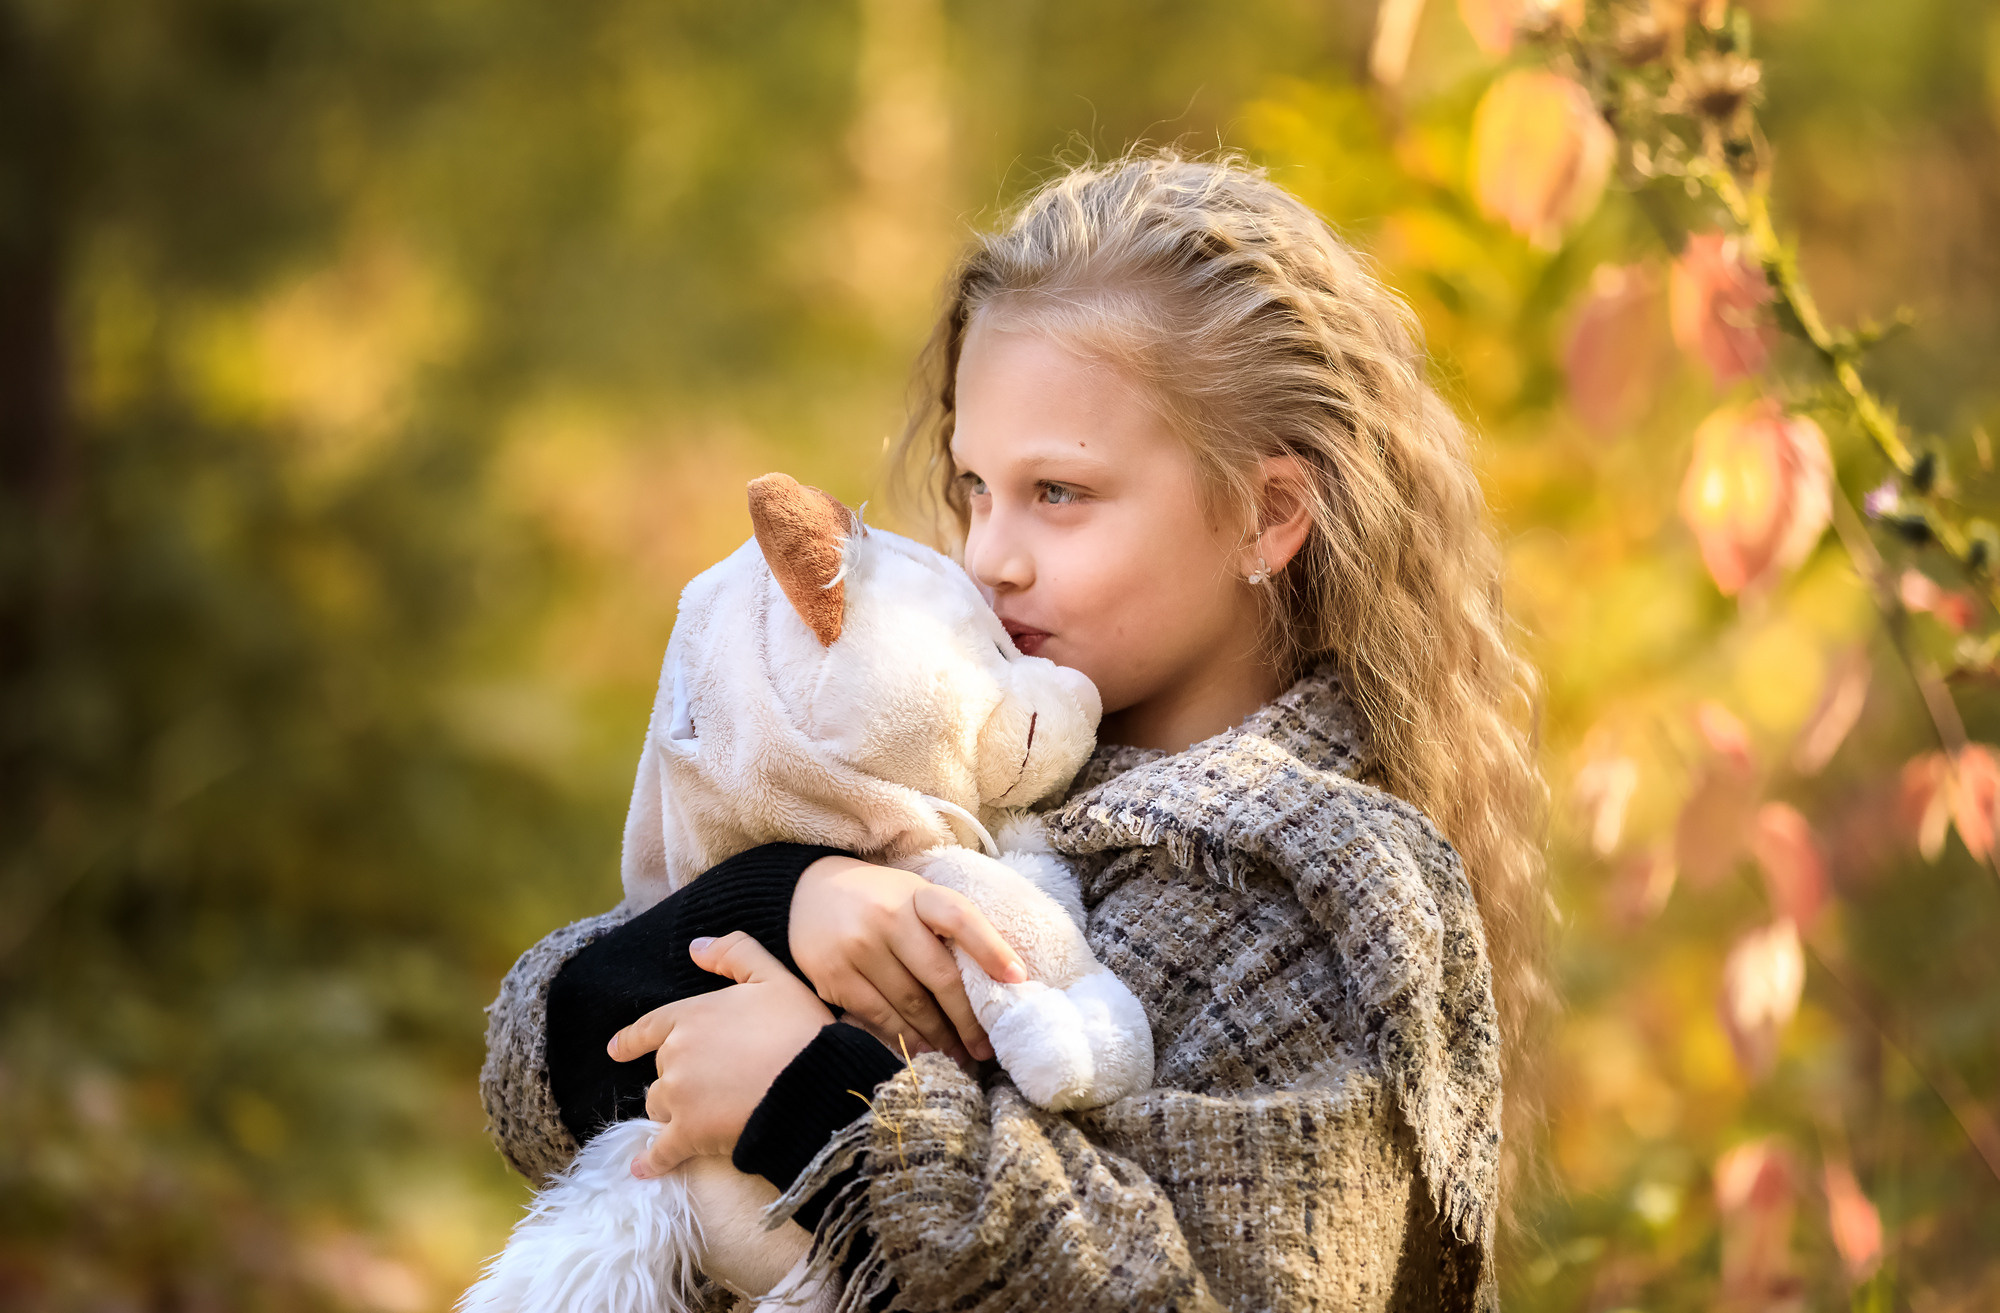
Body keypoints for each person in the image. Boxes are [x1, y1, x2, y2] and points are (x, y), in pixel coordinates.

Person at [480, 150, 1546, 1312]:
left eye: (1059, 493)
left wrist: (816, 1097)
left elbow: (1201, 1287)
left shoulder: (1319, 887)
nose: (989, 552)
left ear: (1265, 510)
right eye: (976, 485)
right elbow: (537, 1079)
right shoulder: (970, 770)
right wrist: (781, 897)